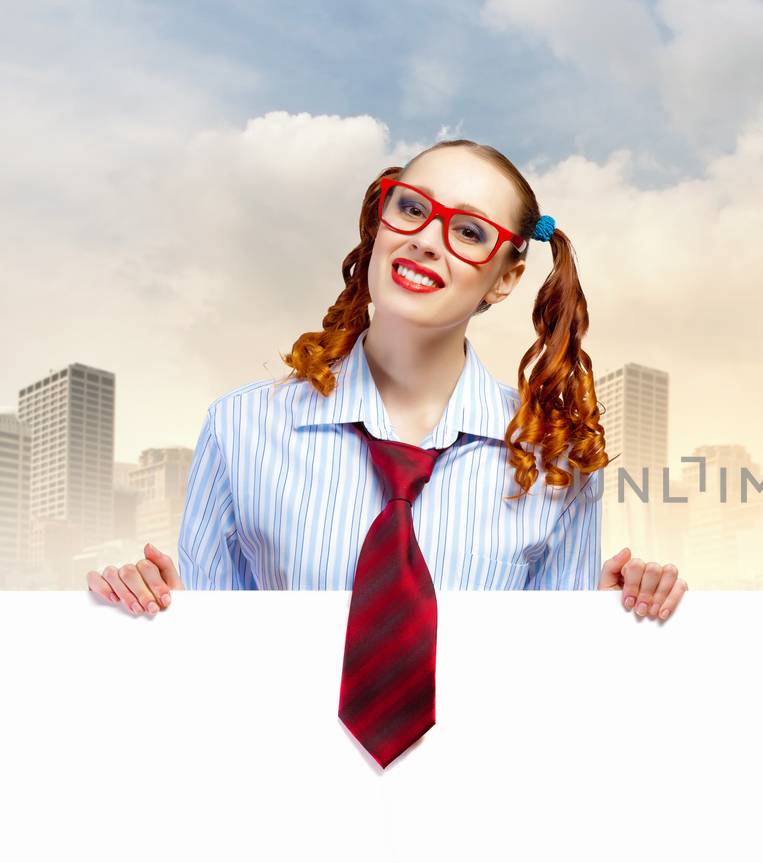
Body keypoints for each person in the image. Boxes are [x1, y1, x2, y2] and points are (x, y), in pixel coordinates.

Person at [86, 138, 686, 623]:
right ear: (381, 221)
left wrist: (608, 620)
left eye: (470, 232)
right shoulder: (241, 426)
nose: (427, 239)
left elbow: (551, 682)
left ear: (506, 280)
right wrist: (147, 607)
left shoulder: (553, 461)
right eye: (412, 208)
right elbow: (208, 653)